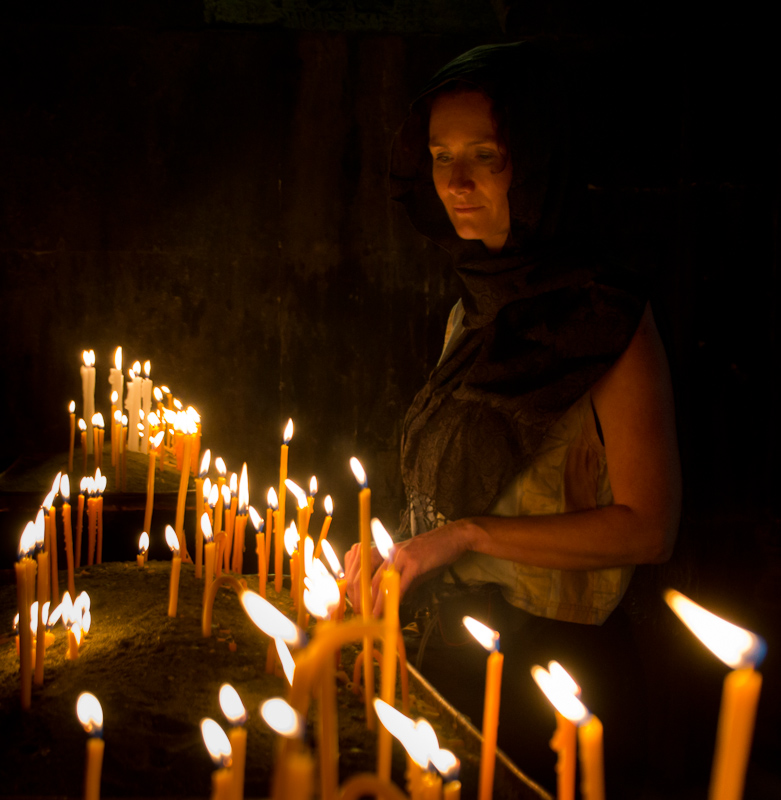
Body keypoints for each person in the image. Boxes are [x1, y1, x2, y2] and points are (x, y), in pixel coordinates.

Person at [345, 42, 681, 795]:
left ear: (531, 164)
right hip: (460, 648)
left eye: (484, 155)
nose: (456, 182)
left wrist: (462, 536)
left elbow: (648, 527)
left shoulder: (606, 316)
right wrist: (402, 555)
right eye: (439, 156)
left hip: (560, 670)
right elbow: (466, 488)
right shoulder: (474, 311)